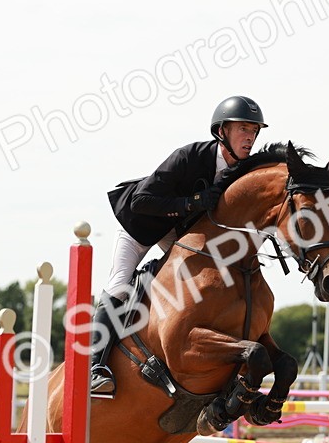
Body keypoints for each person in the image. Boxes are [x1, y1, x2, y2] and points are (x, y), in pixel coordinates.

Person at [92, 95, 268, 397]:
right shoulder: (188, 157)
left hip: (180, 234)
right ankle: (96, 367)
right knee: (120, 285)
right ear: (221, 131)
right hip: (141, 226)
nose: (249, 137)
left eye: (254, 131)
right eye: (243, 129)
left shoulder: (241, 170)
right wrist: (193, 202)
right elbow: (141, 200)